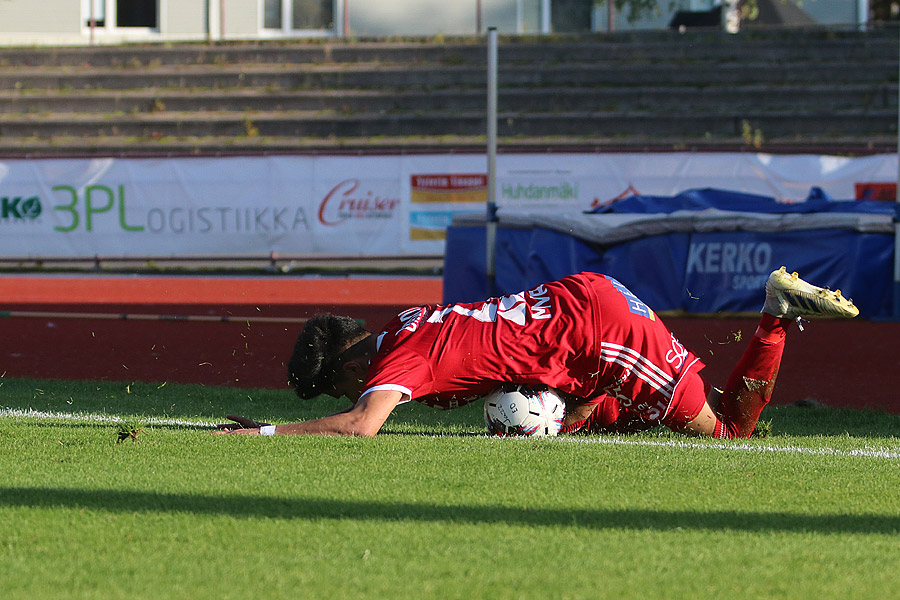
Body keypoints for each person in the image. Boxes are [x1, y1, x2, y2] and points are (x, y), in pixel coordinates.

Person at [215, 267, 858, 438]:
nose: (349, 394)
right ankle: (579, 406)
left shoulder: (395, 365)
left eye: (338, 386)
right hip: (576, 305)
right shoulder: (405, 323)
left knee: (727, 433)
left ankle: (774, 313)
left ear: (352, 364)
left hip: (598, 331)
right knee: (595, 418)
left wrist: (268, 431)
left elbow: (363, 426)